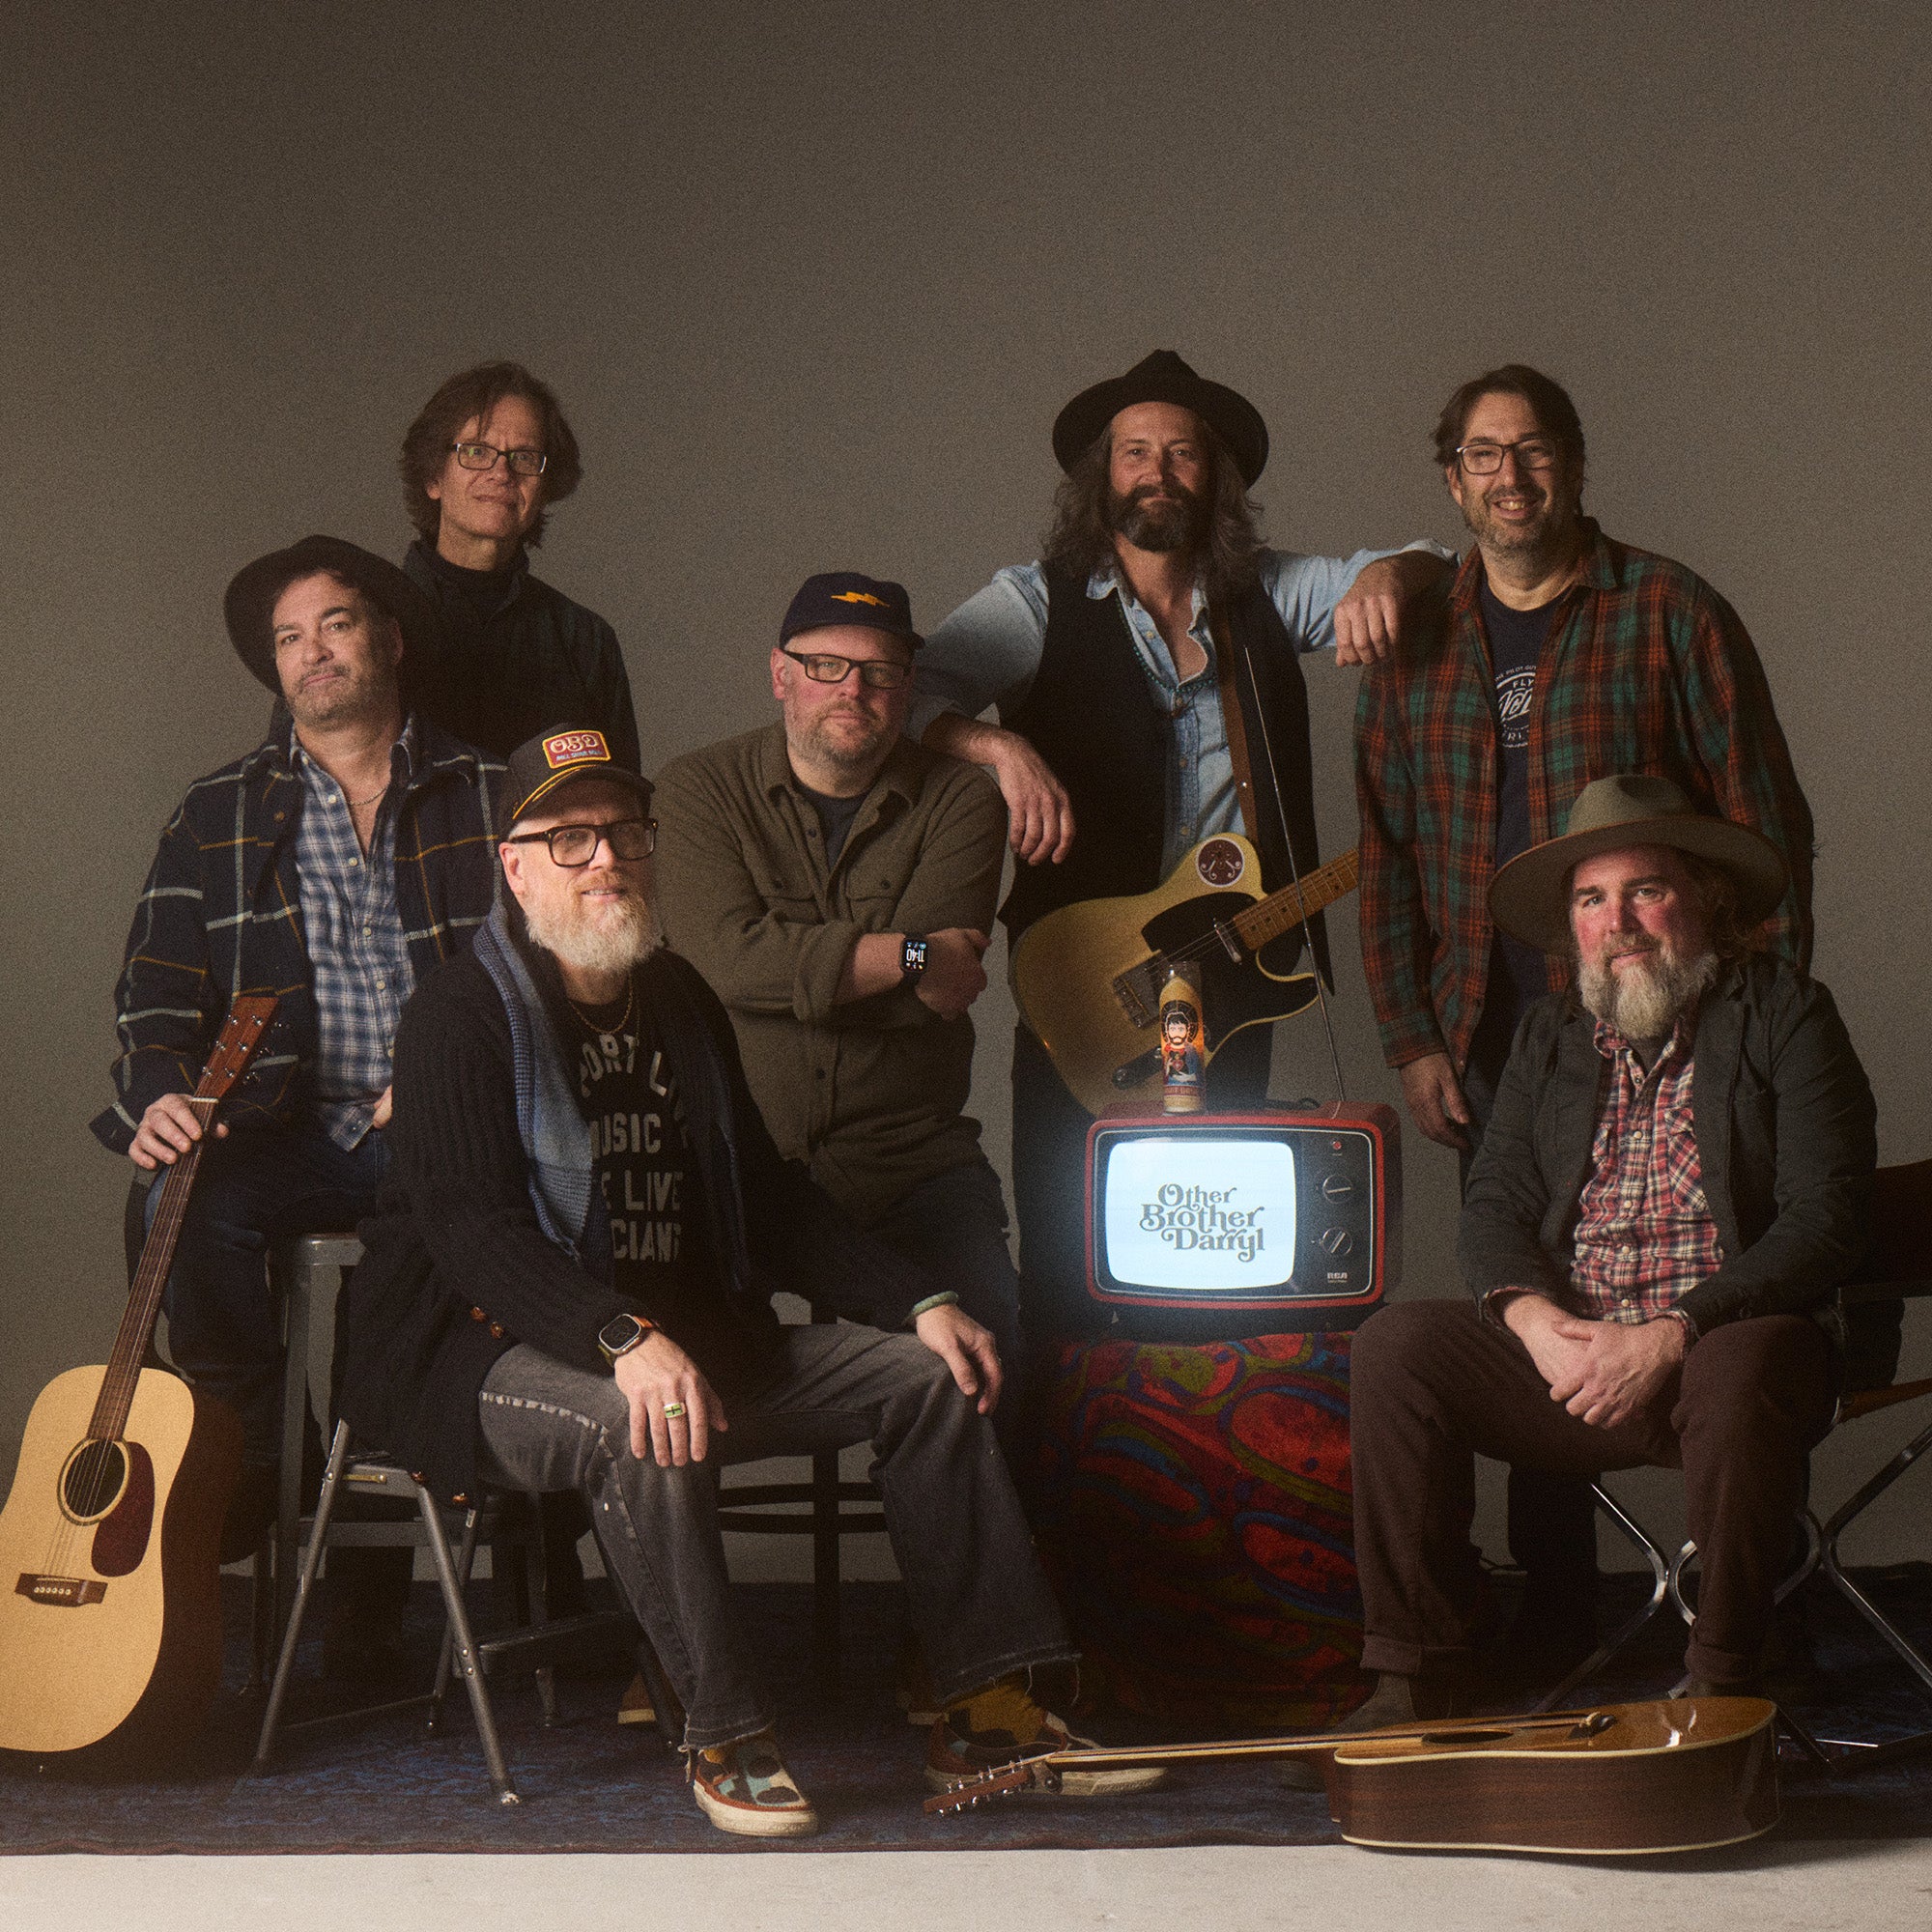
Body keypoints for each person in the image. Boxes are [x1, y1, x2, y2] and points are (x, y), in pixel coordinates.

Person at [332, 728, 1163, 1837]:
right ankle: (722, 1727)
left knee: (924, 1376)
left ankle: (989, 1708)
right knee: (639, 1416)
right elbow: (469, 1230)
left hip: (684, 1338)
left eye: (623, 833)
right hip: (482, 1352)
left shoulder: (674, 996)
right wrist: (620, 1335)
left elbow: (767, 1199)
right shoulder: (458, 1013)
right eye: (568, 838)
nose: (604, 861)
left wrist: (915, 1299)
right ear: (514, 863)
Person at [1352, 362, 1818, 1658]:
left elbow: (1761, 812)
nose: (1513, 477)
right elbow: (1384, 854)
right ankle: (1550, 1615)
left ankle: (1745, 1604)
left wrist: (1756, 1018)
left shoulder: (1668, 609)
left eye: (1537, 450)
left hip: (1671, 991)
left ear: (1575, 463)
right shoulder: (1414, 640)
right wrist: (1412, 1036)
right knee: (1540, 1292)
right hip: (1495, 1023)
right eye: (1486, 456)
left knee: (1702, 1264)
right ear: (1452, 480)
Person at [910, 349, 1453, 1334]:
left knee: (1209, 1250)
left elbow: (1436, 568)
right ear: (1100, 477)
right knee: (1070, 1254)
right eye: (1133, 452)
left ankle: (1194, 1462)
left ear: (1216, 478)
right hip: (1080, 974)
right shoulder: (1033, 602)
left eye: (1182, 452)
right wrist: (997, 746)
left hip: (1232, 967)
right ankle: (1072, 1472)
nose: (1156, 470)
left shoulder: (1267, 594)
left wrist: (1384, 571)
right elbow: (903, 689)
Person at [1342, 776, 1873, 1725]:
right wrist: (1532, 1318)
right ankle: (1414, 1672)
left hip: (1728, 1354)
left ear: (1703, 898)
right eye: (1590, 898)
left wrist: (1671, 1331)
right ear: (1570, 923)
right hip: (1577, 1363)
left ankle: (1727, 1677)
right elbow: (1492, 1198)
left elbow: (1824, 1217)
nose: (1617, 921)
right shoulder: (1548, 1036)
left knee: (1741, 1356)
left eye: (1644, 890)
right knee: (1395, 1346)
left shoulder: (1788, 1014)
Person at [91, 536, 502, 1569]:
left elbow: (545, 983)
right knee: (174, 1203)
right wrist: (157, 1096)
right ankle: (260, 1450)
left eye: (336, 622)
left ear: (390, 640)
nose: (312, 649)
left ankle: (368, 1573)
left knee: (395, 1317)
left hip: (445, 1135)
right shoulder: (217, 811)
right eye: (288, 636)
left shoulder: (492, 795)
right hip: (288, 1128)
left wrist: (446, 1083)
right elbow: (154, 995)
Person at [653, 572, 1024, 1450]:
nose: (852, 690)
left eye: (879, 672)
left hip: (906, 1158)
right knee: (669, 1383)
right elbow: (720, 964)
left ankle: (973, 1588)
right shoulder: (696, 789)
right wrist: (905, 951)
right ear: (780, 674)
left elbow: (946, 989)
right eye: (825, 666)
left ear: (907, 688)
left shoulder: (964, 796)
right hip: (733, 1171)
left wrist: (804, 971)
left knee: (999, 1371)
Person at [397, 359, 639, 767]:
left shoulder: (586, 641)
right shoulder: (368, 626)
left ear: (544, 487)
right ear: (432, 478)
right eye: (476, 452)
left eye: (525, 458)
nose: (502, 472)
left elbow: (621, 808)